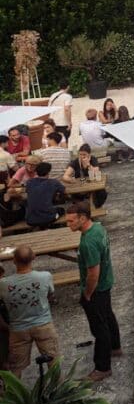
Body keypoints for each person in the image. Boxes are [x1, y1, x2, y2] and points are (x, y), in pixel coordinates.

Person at [66, 202, 121, 381]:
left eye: (71, 221)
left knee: (99, 327)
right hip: (107, 281)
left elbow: (92, 273)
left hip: (96, 288)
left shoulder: (88, 242)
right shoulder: (98, 227)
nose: (68, 224)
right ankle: (115, 347)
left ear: (83, 218)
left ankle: (102, 367)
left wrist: (87, 294)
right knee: (108, 314)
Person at [0, 246, 58, 378]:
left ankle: (15, 395)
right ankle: (60, 393)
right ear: (34, 258)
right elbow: (50, 296)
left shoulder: (3, 284)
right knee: (53, 361)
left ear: (13, 261)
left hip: (18, 329)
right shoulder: (45, 276)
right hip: (44, 325)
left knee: (15, 367)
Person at [24, 162, 65, 229]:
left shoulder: (29, 182)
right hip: (48, 218)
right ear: (48, 172)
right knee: (61, 210)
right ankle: (53, 227)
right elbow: (64, 190)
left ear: (36, 172)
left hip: (30, 219)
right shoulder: (53, 182)